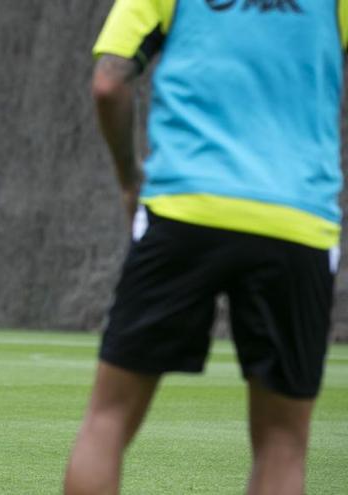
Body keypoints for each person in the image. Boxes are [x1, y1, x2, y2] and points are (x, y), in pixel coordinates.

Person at [65, 1, 347, 494]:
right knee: (283, 442)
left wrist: (129, 181)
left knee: (107, 421)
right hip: (297, 219)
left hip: (183, 209)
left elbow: (109, 81)